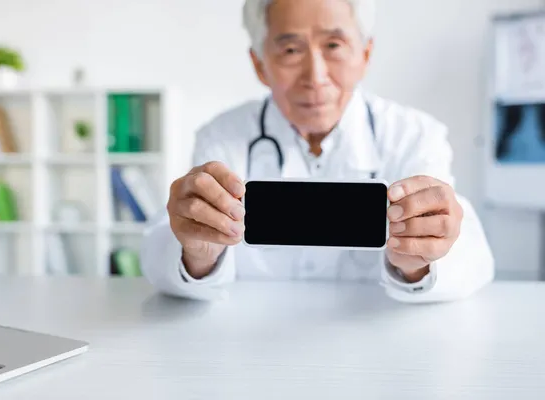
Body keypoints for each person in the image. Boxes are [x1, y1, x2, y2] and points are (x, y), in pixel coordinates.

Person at [141, 0, 494, 302]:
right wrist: (197, 254)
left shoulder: (414, 136)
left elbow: (473, 261)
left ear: (365, 54)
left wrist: (420, 261)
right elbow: (158, 255)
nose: (316, 75)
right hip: (251, 346)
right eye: (291, 50)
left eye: (334, 46)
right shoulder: (221, 137)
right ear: (260, 64)